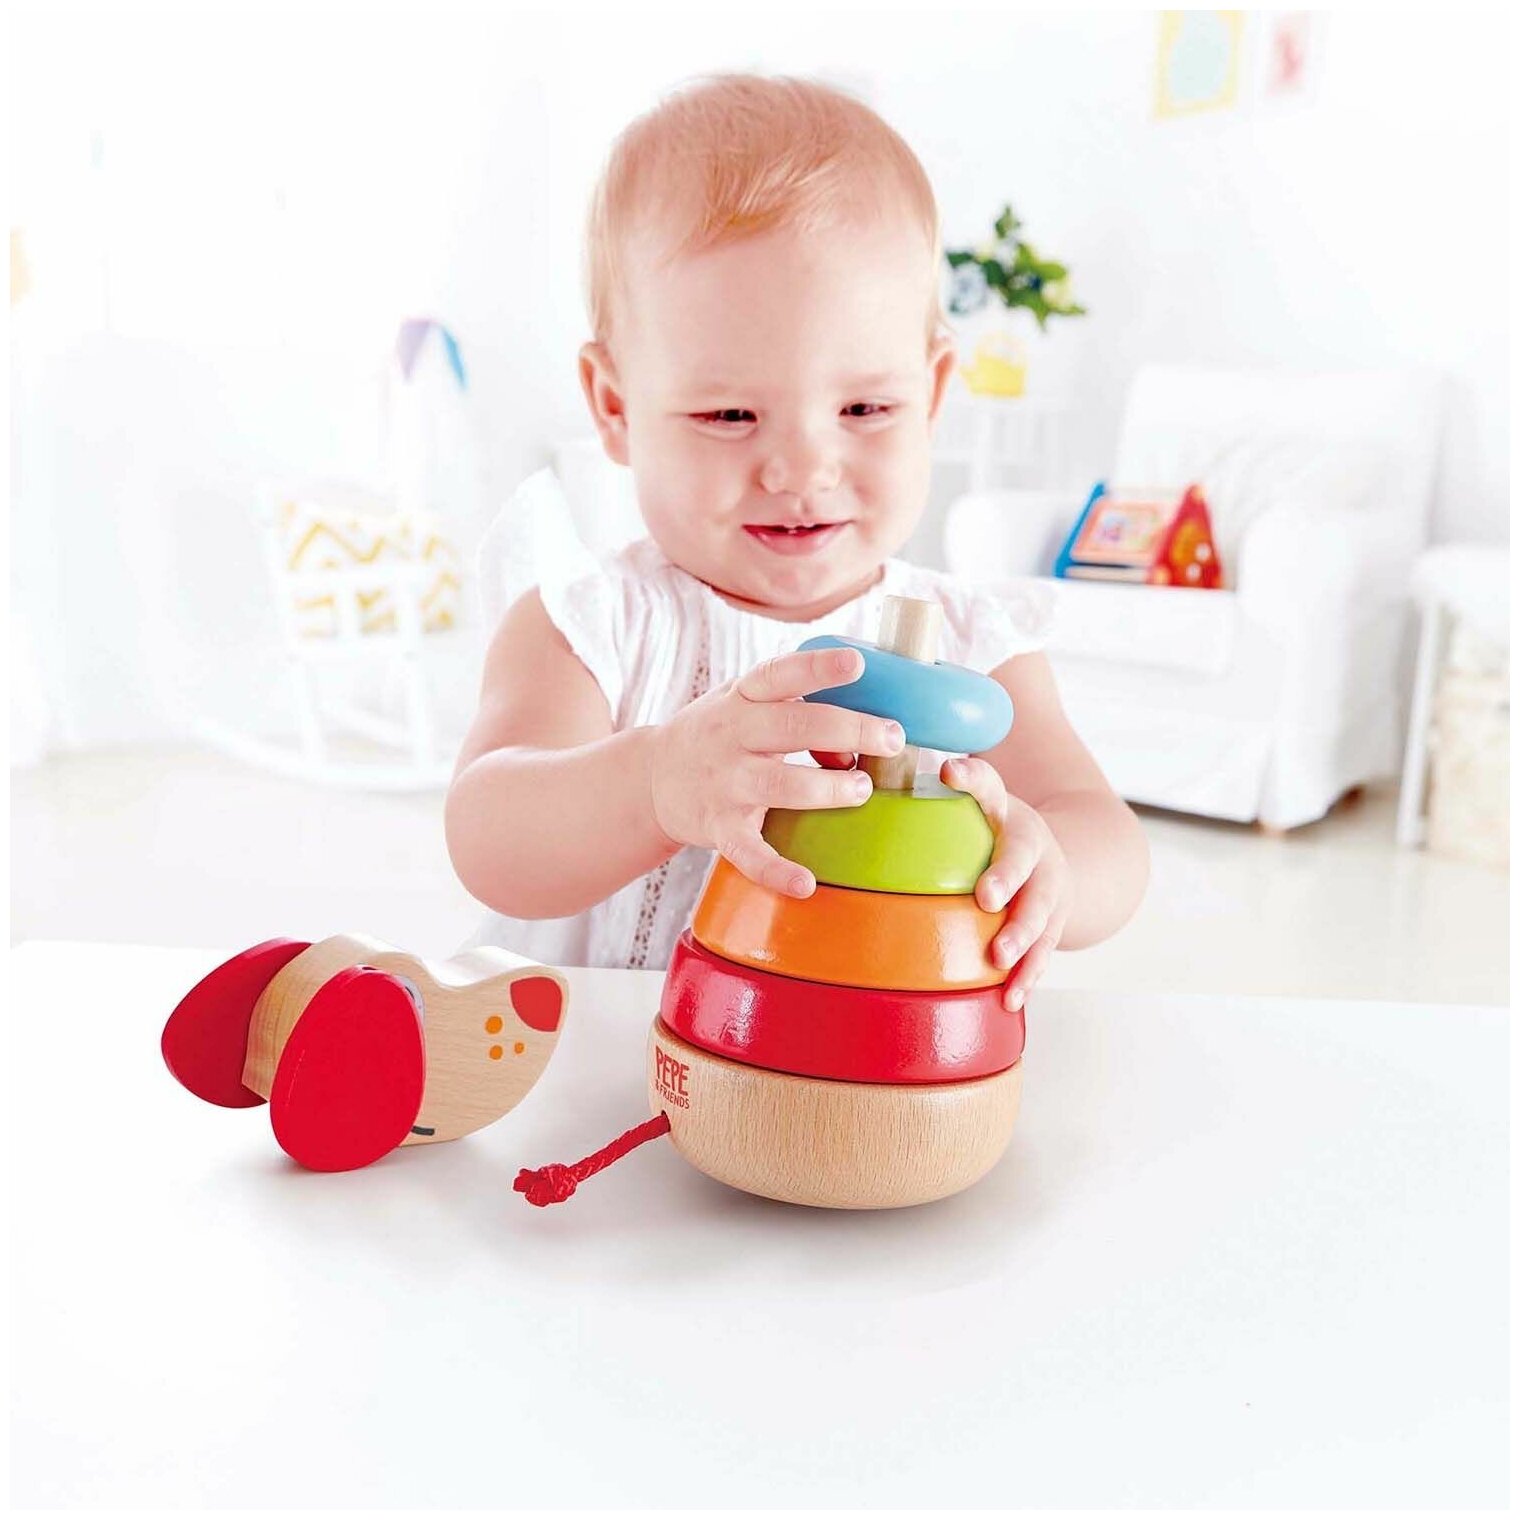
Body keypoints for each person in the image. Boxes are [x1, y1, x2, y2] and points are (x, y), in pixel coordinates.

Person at [446, 72, 1148, 1011]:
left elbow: (1109, 839)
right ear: (616, 407)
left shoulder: (975, 649)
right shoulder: (591, 625)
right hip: (593, 1057)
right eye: (730, 414)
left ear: (933, 394)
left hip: (856, 1069)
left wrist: (1049, 858)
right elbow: (489, 838)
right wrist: (655, 784)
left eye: (865, 408)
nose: (802, 471)